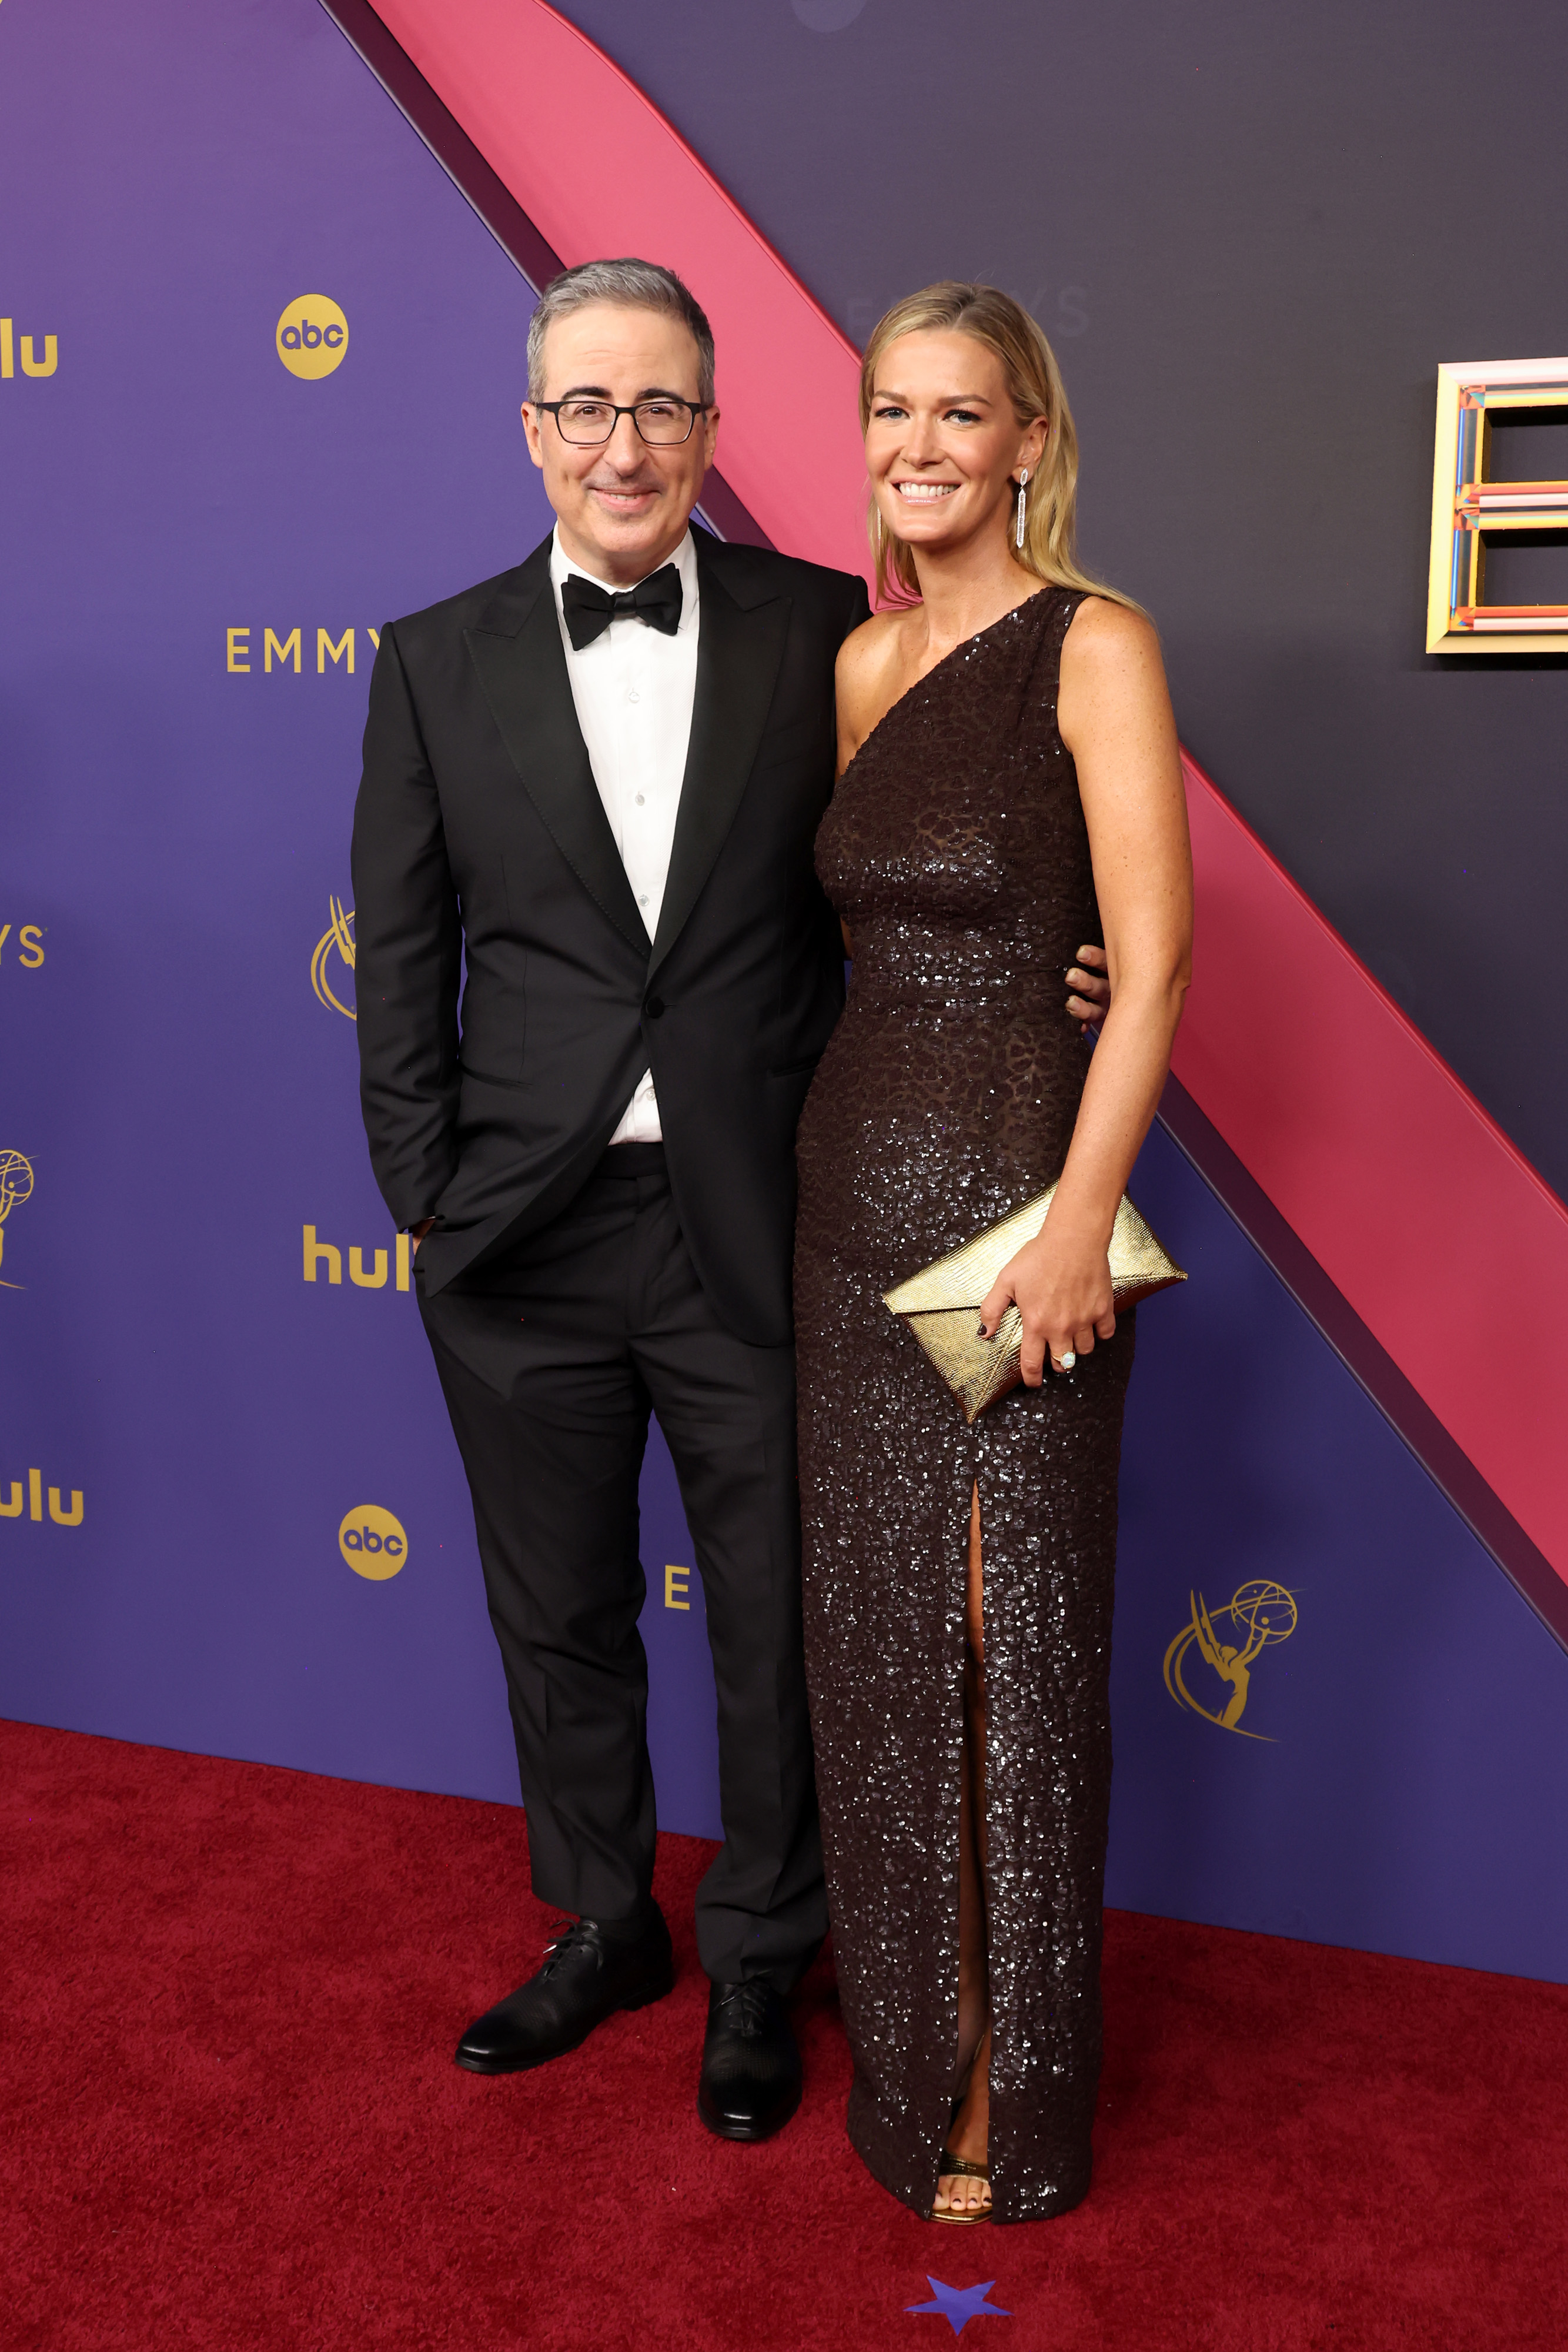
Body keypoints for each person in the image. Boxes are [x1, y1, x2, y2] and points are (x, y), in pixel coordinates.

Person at [351, 258, 1111, 2144]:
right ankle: (607, 1922)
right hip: (514, 1234)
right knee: (559, 1610)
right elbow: (398, 960)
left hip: (757, 1220)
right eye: (588, 406)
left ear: (712, 428)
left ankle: (766, 1956)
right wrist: (427, 1201)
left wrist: (1052, 970)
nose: (626, 443)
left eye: (664, 405)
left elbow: (928, 861)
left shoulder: (824, 634)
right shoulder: (430, 657)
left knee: (775, 1617)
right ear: (535, 431)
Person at [794, 283, 1192, 2223]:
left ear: (1029, 437)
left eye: (961, 413)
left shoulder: (1095, 643)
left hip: (1021, 1215)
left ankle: (1014, 2100)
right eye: (891, 411)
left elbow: (1155, 958)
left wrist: (1066, 1234)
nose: (919, 446)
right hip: (846, 1193)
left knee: (1006, 1645)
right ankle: (905, 2070)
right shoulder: (865, 666)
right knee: (878, 1649)